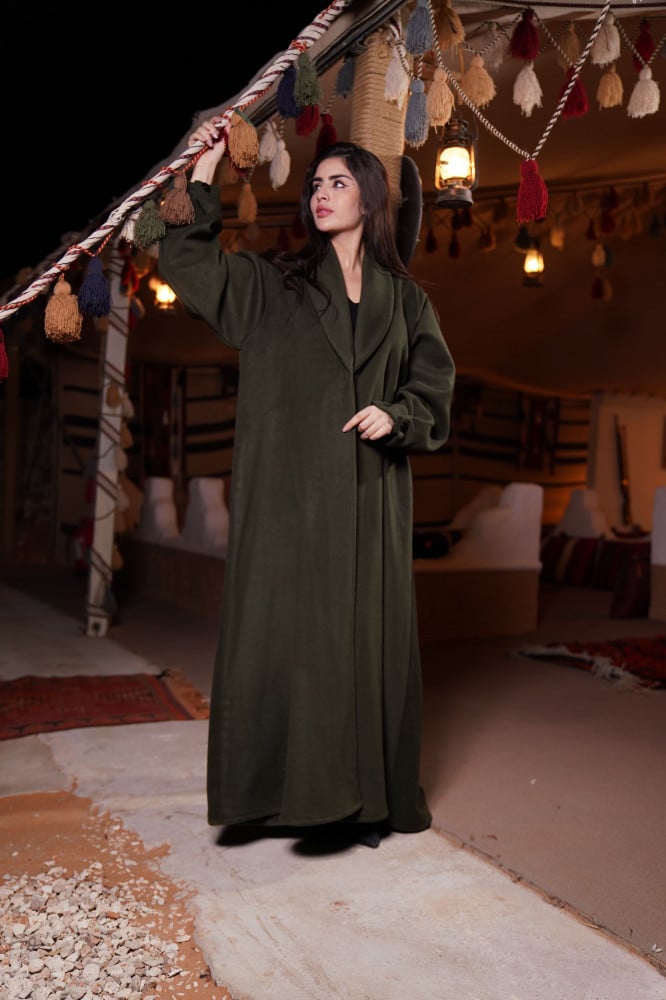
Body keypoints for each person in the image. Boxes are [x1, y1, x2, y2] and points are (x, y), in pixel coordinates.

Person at [158, 119, 456, 848]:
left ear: (370, 197)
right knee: (286, 642)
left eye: (338, 182)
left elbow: (435, 391)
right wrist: (205, 172)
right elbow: (190, 265)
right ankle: (275, 797)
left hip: (371, 504)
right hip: (289, 505)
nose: (320, 193)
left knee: (364, 646)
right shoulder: (272, 286)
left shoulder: (407, 302)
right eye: (316, 184)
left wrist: (397, 414)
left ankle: (366, 799)